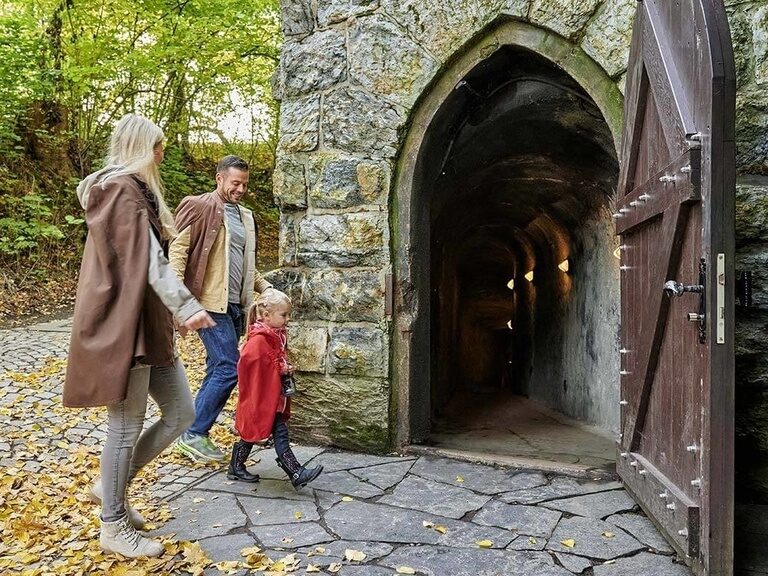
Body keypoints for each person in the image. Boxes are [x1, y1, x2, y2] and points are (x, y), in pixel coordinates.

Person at [63, 114, 215, 558]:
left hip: (150, 329)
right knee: (125, 427)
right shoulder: (121, 191)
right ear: (140, 148)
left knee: (181, 413)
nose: (162, 154)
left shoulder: (131, 192)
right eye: (157, 146)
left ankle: (110, 488)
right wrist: (188, 308)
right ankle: (113, 522)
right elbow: (149, 263)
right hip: (126, 329)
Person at [170, 155, 272, 462]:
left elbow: (246, 266)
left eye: (244, 184)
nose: (240, 189)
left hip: (235, 307)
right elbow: (177, 252)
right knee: (229, 365)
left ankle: (191, 432)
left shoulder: (246, 217)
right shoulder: (200, 207)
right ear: (219, 179)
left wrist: (266, 288)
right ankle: (194, 433)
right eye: (235, 183)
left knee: (217, 367)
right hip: (208, 304)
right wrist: (179, 301)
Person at [229, 289, 323, 488]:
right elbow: (250, 365)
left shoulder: (274, 335)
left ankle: (236, 467)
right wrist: (278, 368)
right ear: (266, 315)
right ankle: (296, 472)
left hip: (273, 396)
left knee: (261, 432)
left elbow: (272, 361)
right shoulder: (258, 341)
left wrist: (283, 367)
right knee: (268, 432)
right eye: (284, 315)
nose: (287, 319)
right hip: (264, 397)